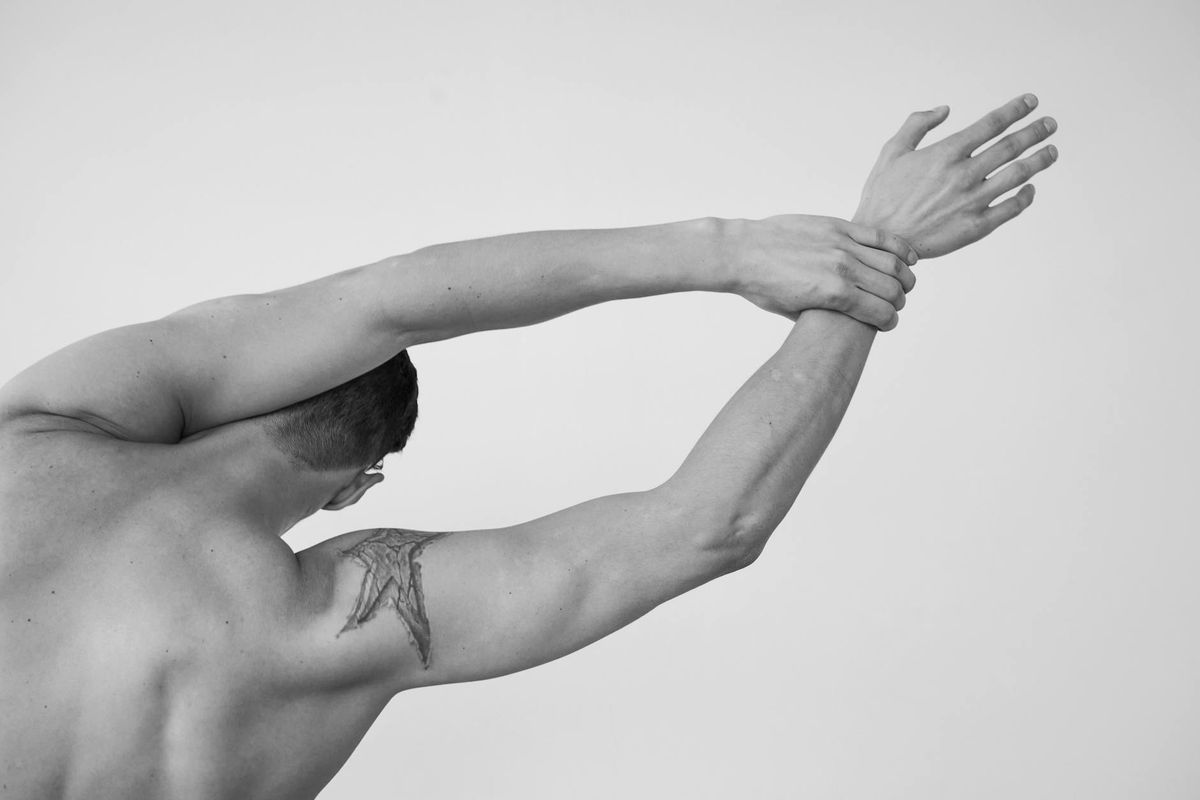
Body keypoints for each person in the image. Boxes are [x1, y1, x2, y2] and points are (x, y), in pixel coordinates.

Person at [0, 94, 1056, 799]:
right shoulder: (323, 625)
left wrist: (729, 247)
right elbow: (707, 525)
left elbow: (384, 298)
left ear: (250, 377)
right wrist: (873, 262)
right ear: (354, 484)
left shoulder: (38, 431)